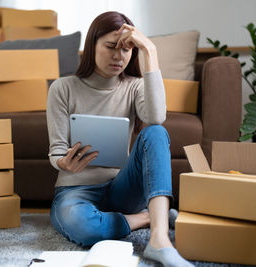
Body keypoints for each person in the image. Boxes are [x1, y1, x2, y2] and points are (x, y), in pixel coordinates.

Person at [46, 11, 193, 267]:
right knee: (84, 228)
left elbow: (156, 117)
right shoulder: (63, 88)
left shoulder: (134, 86)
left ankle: (159, 240)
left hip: (120, 188)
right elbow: (57, 149)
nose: (118, 56)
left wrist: (150, 49)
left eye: (126, 49)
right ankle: (147, 218)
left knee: (155, 131)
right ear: (92, 46)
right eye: (111, 47)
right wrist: (64, 163)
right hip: (76, 191)